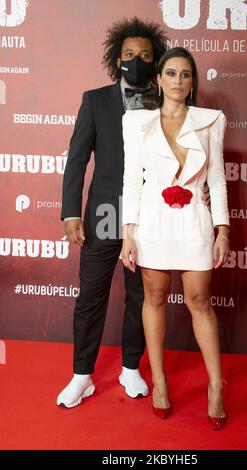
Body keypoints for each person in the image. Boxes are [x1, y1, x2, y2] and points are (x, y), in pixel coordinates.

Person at [57, 19, 211, 408]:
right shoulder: (95, 101)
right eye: (129, 55)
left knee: (141, 295)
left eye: (145, 55)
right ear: (117, 59)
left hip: (150, 213)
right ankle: (82, 375)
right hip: (106, 209)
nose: (137, 61)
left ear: (156, 61)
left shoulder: (169, 104)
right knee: (91, 294)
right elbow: (76, 162)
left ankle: (130, 368)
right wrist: (70, 213)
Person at [121, 47, 230, 430]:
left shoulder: (210, 121)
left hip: (195, 222)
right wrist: (128, 234)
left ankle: (216, 385)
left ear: (193, 81)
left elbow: (216, 179)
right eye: (171, 73)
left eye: (186, 74)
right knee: (153, 297)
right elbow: (132, 179)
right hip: (152, 222)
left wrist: (223, 230)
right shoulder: (136, 123)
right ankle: (160, 381)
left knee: (200, 299)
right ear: (158, 79)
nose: (178, 81)